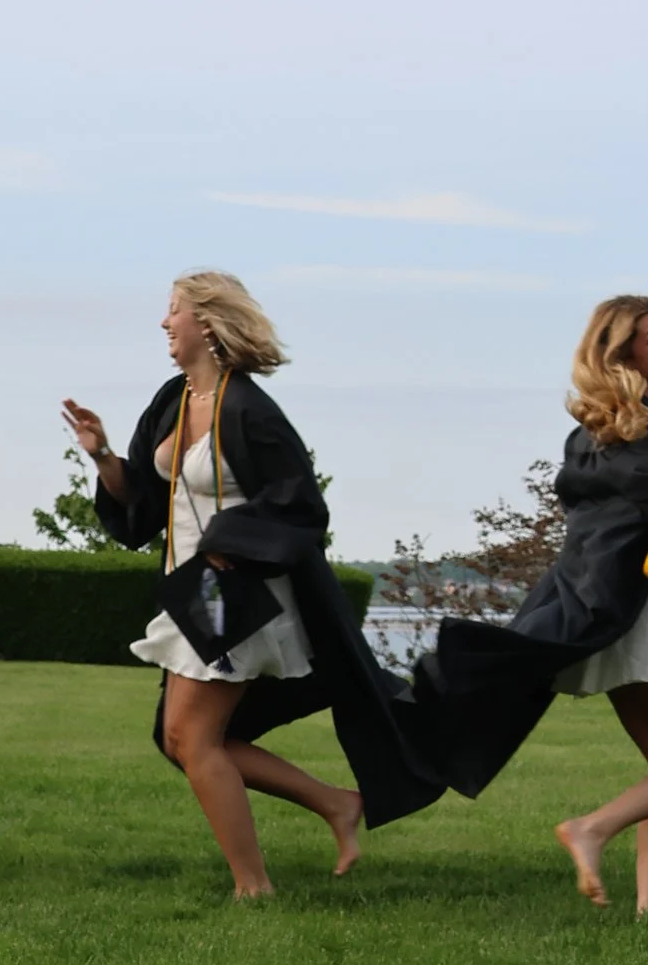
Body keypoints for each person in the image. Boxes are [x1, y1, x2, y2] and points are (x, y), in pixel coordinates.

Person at [61, 272, 440, 898]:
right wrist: (102, 456)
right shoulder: (173, 400)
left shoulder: (249, 410)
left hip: (242, 597)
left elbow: (301, 510)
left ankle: (253, 885)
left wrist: (233, 541)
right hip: (197, 597)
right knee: (180, 737)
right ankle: (336, 806)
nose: (164, 323)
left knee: (190, 736)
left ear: (206, 323)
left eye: (174, 310)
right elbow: (142, 507)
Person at [414, 295, 648, 913]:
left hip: (613, 603)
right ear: (623, 352)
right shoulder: (647, 433)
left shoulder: (599, 430)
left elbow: (632, 477)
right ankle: (591, 828)